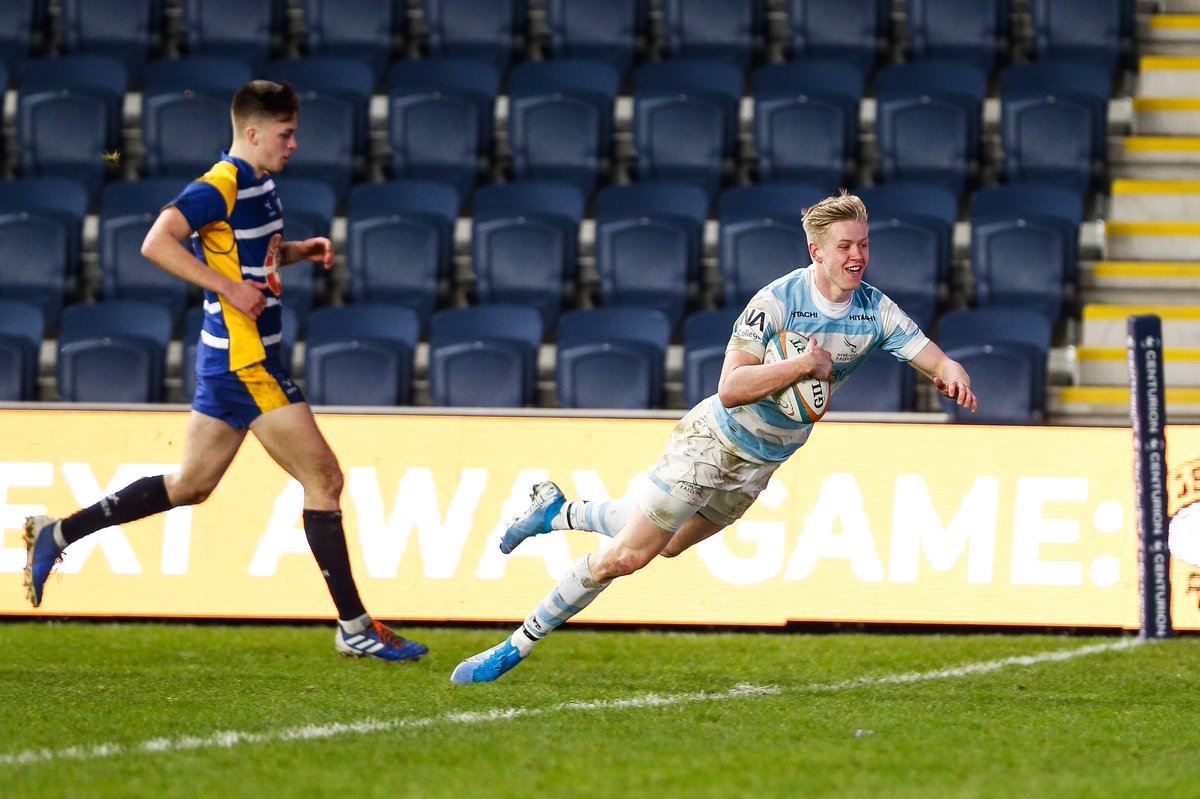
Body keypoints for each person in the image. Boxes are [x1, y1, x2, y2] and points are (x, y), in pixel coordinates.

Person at [450, 191, 977, 684]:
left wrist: (951, 371)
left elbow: (931, 356)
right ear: (816, 251)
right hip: (713, 443)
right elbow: (730, 388)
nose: (857, 255)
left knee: (669, 545)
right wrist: (801, 365)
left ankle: (556, 513)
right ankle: (516, 644)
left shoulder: (875, 310)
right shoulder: (775, 302)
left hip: (762, 461)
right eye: (845, 246)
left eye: (863, 244)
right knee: (627, 558)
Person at [23, 80, 427, 664]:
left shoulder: (259, 182)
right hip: (247, 363)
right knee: (325, 480)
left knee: (191, 485)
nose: (294, 144)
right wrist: (227, 289)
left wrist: (299, 251)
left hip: (226, 361)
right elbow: (156, 242)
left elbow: (243, 254)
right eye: (286, 134)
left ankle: (58, 533)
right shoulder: (221, 183)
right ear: (254, 132)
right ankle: (354, 626)